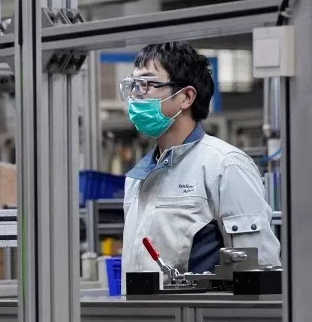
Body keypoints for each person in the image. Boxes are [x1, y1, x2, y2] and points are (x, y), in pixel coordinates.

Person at [120, 42, 280, 280]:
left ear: (186, 96)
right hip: (145, 315)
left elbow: (259, 272)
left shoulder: (225, 166)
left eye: (146, 84)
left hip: (199, 314)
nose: (135, 96)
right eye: (132, 85)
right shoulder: (137, 177)